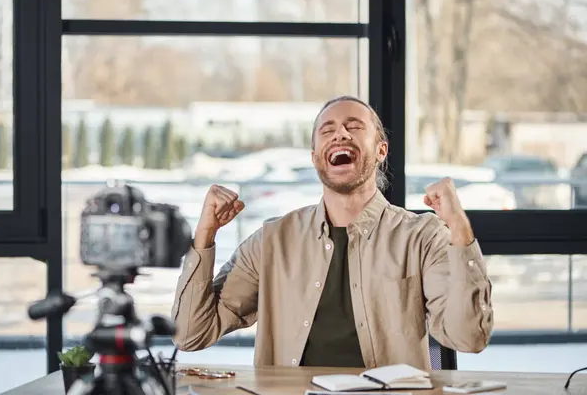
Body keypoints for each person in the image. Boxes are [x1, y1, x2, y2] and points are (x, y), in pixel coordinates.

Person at [171, 95, 493, 370]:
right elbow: (190, 334)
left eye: (354, 126)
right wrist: (204, 237)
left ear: (381, 151)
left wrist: (460, 231)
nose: (340, 133)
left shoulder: (421, 237)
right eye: (328, 130)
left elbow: (469, 336)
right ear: (315, 158)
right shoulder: (272, 241)